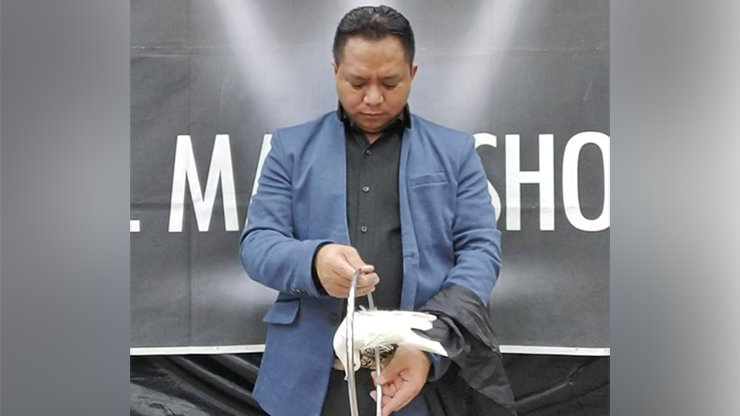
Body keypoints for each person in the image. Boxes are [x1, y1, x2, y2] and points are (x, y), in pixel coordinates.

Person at [239, 5, 502, 416]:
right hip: (307, 381)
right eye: (358, 82)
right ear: (335, 71)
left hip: (419, 378)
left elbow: (481, 252)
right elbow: (256, 244)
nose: (374, 98)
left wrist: (428, 346)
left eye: (390, 82)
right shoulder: (290, 148)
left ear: (412, 74)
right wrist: (314, 262)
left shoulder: (455, 152)